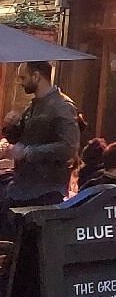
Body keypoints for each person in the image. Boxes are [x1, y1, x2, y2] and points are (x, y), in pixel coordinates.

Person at [3, 61, 80, 209]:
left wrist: (28, 152)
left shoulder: (62, 106)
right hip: (22, 187)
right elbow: (22, 138)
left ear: (36, 76)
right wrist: (10, 126)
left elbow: (69, 147)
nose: (20, 83)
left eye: (23, 77)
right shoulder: (33, 106)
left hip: (46, 191)